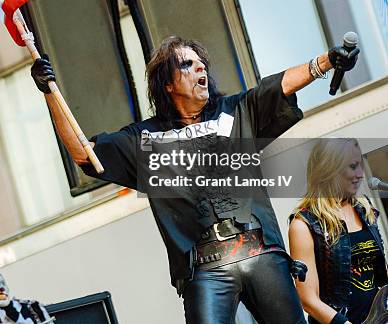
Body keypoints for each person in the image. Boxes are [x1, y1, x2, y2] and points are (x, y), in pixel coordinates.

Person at [31, 35, 359, 323]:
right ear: (168, 84)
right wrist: (49, 93)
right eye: (188, 65)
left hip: (261, 252)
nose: (201, 68)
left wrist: (327, 61)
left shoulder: (235, 112)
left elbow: (279, 85)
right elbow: (83, 154)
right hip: (205, 269)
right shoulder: (144, 138)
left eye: (203, 64)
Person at [289, 139, 387, 324]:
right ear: (328, 170)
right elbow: (308, 300)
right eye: (352, 166)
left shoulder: (364, 208)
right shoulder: (303, 224)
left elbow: (380, 274)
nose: (360, 174)